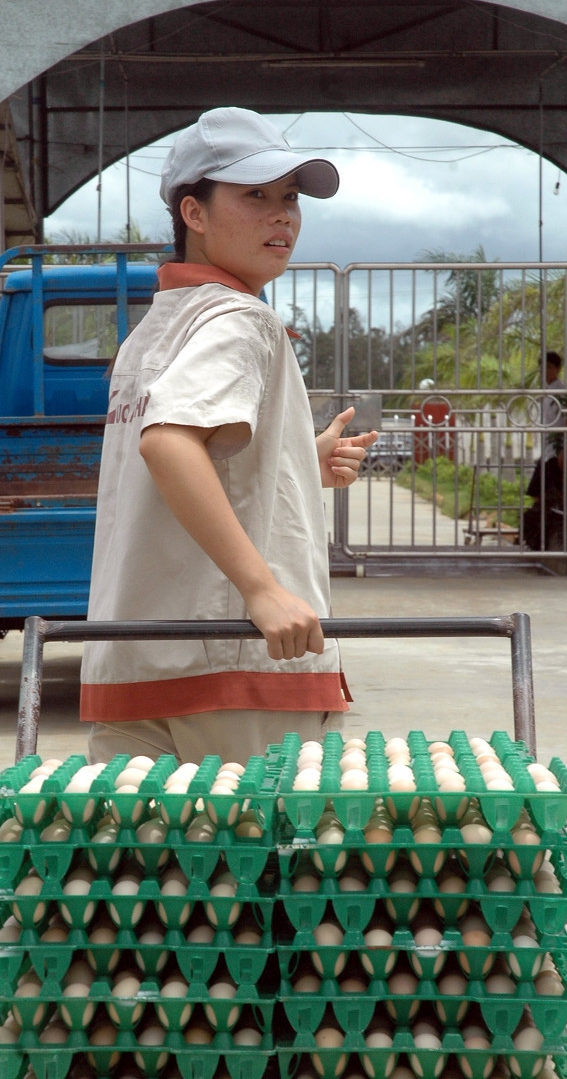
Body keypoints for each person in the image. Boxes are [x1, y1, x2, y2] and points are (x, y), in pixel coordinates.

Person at [80, 107, 377, 764]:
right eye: (255, 196)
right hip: (233, 668)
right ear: (194, 213)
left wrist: (300, 458)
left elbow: (185, 454)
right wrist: (262, 589)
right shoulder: (241, 320)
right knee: (260, 863)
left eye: (290, 198)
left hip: (133, 664)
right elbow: (168, 442)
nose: (282, 217)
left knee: (144, 866)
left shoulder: (153, 331)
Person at [522, 350, 567, 550]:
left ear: (557, 369)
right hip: (546, 451)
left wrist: (563, 450)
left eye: (549, 367)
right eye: (543, 368)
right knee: (537, 492)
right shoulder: (546, 392)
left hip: (556, 453)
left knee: (552, 494)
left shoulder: (563, 392)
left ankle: (549, 535)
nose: (545, 371)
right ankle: (539, 534)